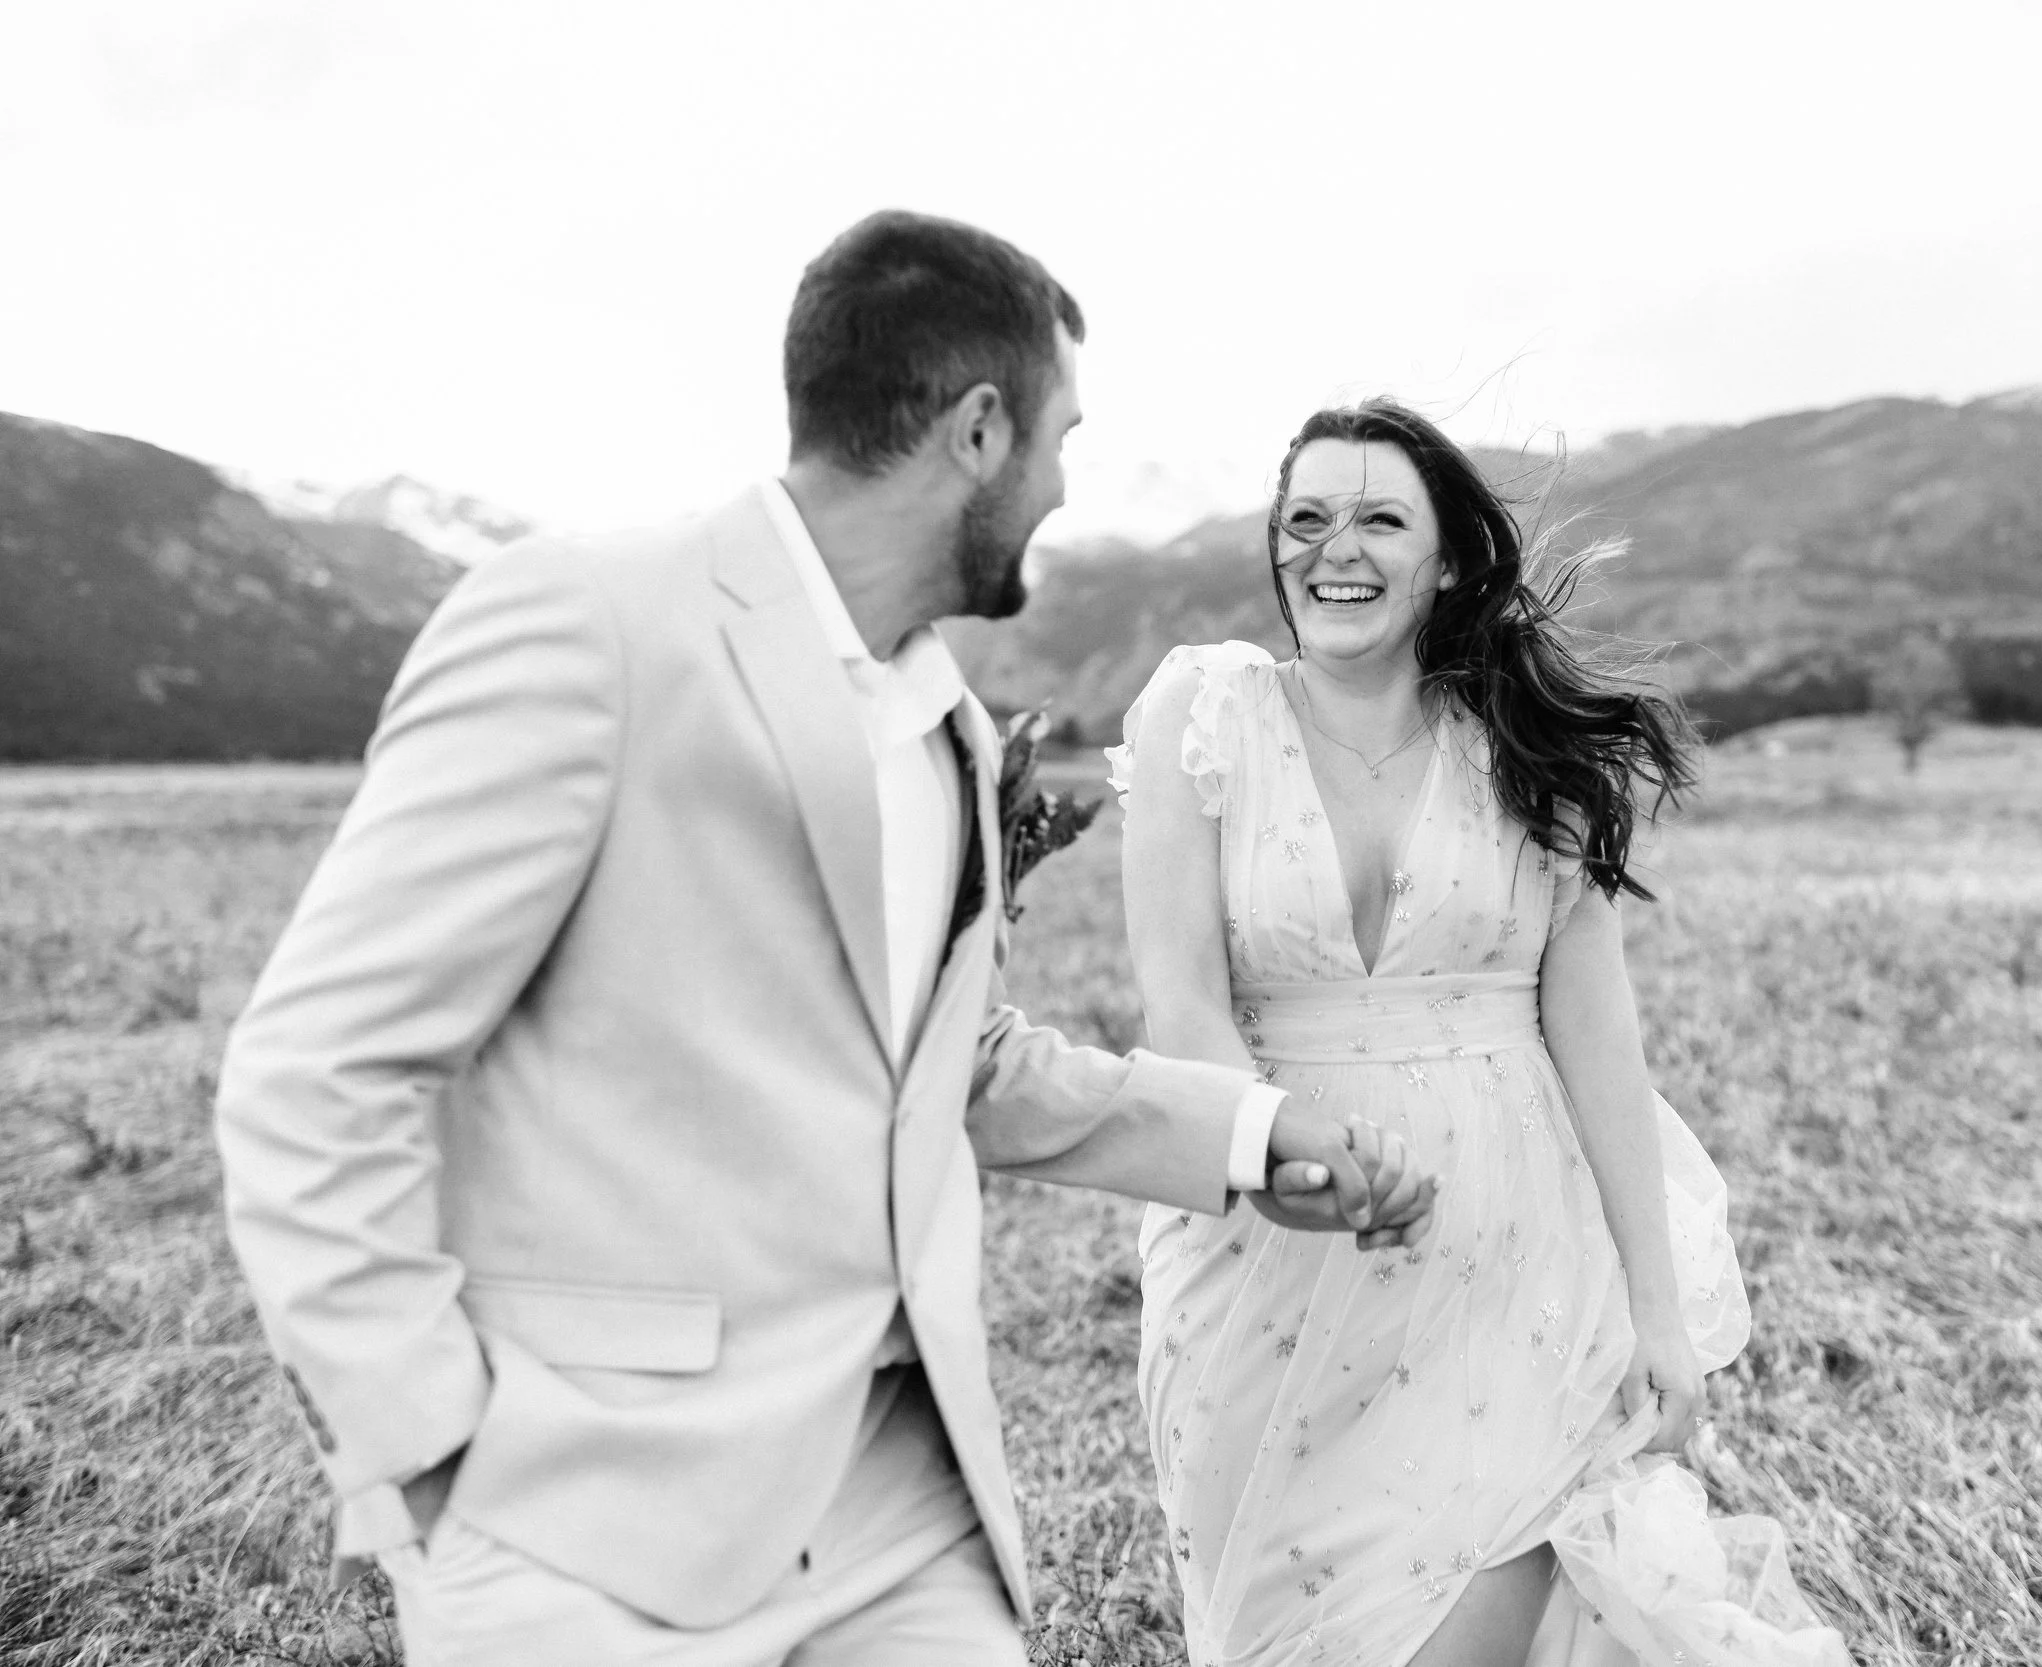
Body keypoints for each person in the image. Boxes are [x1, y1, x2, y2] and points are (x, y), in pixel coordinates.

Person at [212, 211, 1432, 1667]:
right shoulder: (588, 623)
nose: (1060, 487)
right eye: (1059, 439)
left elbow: (953, 1064)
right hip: (588, 1529)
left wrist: (1249, 1133)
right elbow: (318, 1069)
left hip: (904, 1515)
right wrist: (430, 1453)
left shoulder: (948, 728)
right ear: (978, 431)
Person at [1110, 399, 1849, 1666]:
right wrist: (1287, 1159)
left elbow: (1599, 1040)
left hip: (1501, 1257)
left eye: (1379, 518)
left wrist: (1656, 1309)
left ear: (1447, 559)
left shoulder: (1522, 747)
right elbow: (1179, 1000)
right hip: (1260, 1252)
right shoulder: (1203, 714)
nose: (1334, 547)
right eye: (1306, 517)